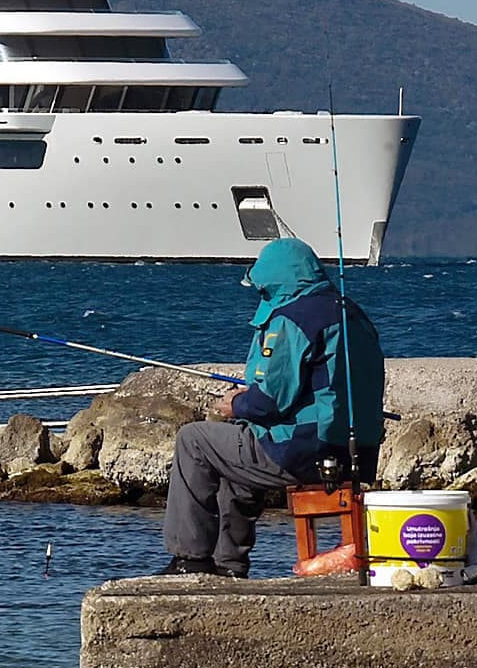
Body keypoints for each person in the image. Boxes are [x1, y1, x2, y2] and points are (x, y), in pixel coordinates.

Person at [158, 237, 386, 577]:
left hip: (304, 452)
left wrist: (235, 403)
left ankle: (189, 559)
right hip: (356, 455)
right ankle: (228, 566)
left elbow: (269, 403)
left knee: (194, 440)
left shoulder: (294, 318)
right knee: (236, 451)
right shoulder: (351, 313)